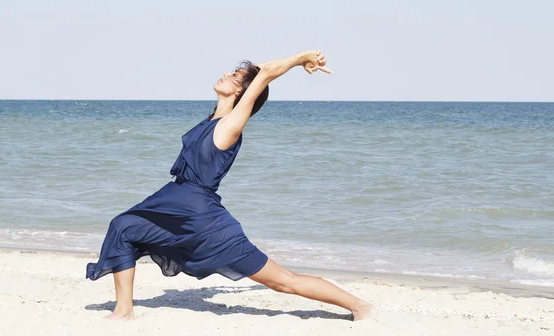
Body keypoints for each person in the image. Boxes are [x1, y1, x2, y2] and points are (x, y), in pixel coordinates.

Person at [86, 50, 372, 321]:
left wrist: (302, 58)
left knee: (283, 282)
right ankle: (124, 310)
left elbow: (266, 73)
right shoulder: (213, 120)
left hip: (204, 219)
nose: (225, 73)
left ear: (242, 92)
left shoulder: (231, 124)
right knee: (123, 227)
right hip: (175, 202)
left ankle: (360, 306)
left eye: (235, 75)